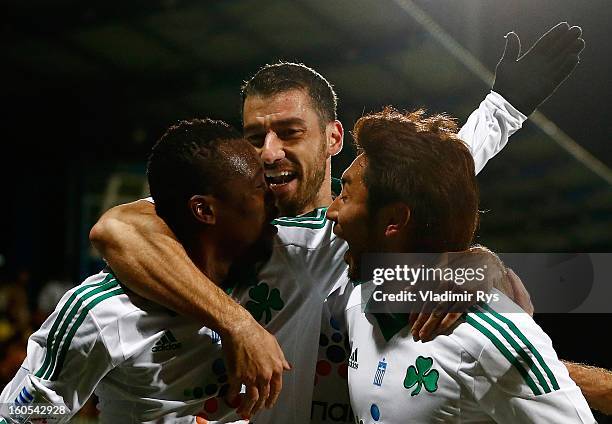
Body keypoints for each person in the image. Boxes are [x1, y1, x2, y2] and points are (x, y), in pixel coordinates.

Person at [89, 23, 590, 422]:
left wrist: (479, 263)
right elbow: (118, 229)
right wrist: (238, 323)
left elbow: (443, 167)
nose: (268, 152)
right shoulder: (221, 226)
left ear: (331, 139)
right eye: (254, 135)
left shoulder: (360, 234)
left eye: (288, 132)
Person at [0, 119, 288, 423]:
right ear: (204, 210)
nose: (273, 196)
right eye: (259, 187)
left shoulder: (267, 266)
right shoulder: (102, 311)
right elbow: (17, 417)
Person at [327, 107, 595, 423]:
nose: (331, 211)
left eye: (344, 195)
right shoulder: (359, 302)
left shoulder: (492, 335)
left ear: (394, 220)